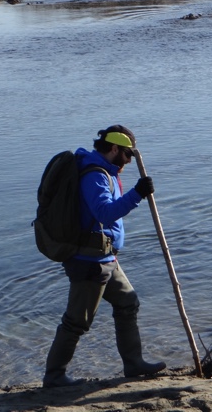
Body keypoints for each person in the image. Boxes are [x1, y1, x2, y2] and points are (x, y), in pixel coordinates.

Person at [42, 125, 165, 388]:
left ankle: (133, 364)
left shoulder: (104, 171)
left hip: (105, 258)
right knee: (77, 321)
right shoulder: (95, 175)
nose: (129, 160)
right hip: (90, 262)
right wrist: (137, 194)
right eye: (127, 154)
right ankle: (54, 376)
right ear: (113, 149)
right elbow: (104, 213)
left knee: (128, 302)